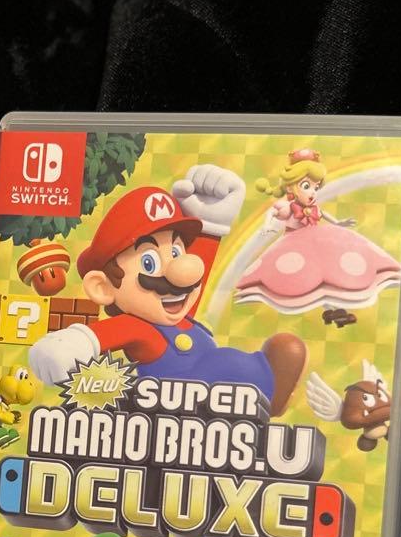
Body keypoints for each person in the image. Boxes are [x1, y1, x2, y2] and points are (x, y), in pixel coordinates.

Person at [28, 164, 307, 416]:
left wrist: (211, 224)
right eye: (149, 262)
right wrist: (76, 343)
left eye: (176, 251)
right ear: (102, 287)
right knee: (232, 362)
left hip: (217, 413)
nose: (182, 270)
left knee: (265, 352)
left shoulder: (178, 315)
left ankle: (270, 386)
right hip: (175, 411)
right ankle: (269, 385)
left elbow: (194, 273)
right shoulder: (143, 329)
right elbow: (112, 332)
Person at [235, 148, 401, 326]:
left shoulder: (313, 206)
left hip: (317, 241)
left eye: (316, 187)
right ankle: (331, 309)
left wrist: (338, 223)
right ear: (290, 187)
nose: (313, 192)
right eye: (306, 186)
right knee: (306, 277)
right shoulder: (288, 207)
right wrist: (267, 226)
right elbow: (272, 213)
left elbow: (323, 215)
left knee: (330, 270)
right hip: (294, 244)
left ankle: (336, 310)